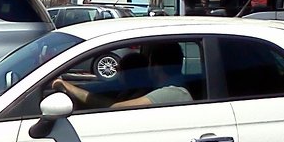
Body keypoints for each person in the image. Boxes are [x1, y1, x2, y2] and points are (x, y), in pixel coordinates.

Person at [54, 42, 191, 109]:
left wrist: (69, 87)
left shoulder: (174, 92)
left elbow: (115, 108)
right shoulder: (160, 89)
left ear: (156, 67)